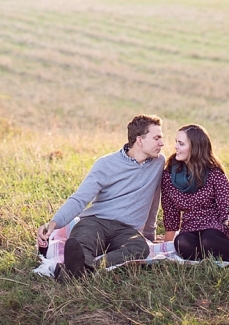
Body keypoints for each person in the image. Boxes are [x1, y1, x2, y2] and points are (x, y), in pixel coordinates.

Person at [37, 115, 165, 281]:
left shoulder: (158, 162)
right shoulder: (106, 164)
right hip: (96, 222)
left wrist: (149, 235)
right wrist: (54, 223)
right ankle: (81, 267)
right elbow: (80, 198)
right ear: (140, 140)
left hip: (127, 230)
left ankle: (80, 270)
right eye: (157, 138)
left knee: (140, 248)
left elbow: (154, 201)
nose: (162, 143)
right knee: (81, 242)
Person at [161, 124, 229, 262]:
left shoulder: (215, 173)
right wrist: (166, 249)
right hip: (190, 227)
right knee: (181, 243)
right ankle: (216, 256)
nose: (175, 147)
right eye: (176, 142)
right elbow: (171, 214)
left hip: (216, 226)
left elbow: (226, 207)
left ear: (195, 147)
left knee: (209, 240)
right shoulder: (169, 174)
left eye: (181, 143)